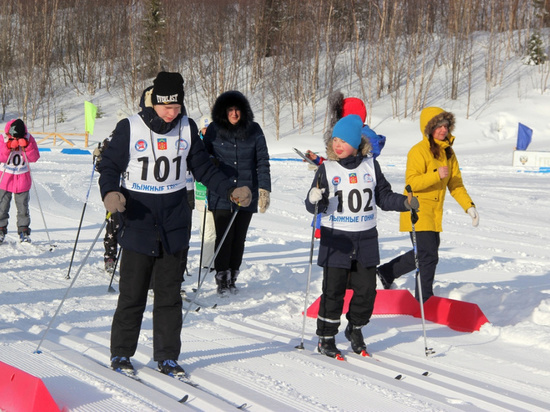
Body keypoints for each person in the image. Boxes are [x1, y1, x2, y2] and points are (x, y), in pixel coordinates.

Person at [97, 71, 252, 377]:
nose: (171, 112)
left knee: (169, 296)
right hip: (139, 217)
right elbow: (109, 166)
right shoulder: (130, 127)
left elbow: (203, 167)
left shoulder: (187, 127)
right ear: (154, 102)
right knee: (133, 294)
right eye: (166, 106)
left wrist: (230, 189)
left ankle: (167, 356)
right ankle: (121, 354)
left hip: (174, 220)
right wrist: (110, 192)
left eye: (176, 106)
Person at [305, 115, 418, 359]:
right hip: (337, 239)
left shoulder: (370, 166)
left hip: (365, 239)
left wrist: (405, 202)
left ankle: (355, 329)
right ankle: (326, 337)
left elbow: (384, 196)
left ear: (356, 143)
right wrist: (315, 199)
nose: (337, 145)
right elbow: (314, 203)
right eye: (334, 139)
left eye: (343, 140)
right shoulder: (326, 168)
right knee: (333, 291)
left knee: (367, 291)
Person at [377, 107, 479, 302]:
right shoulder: (418, 151)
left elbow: (455, 183)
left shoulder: (448, 153)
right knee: (428, 256)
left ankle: (384, 273)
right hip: (417, 210)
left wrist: (469, 206)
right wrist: (435, 175)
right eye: (438, 126)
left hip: (434, 214)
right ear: (428, 128)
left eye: (446, 126)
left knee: (424, 254)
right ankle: (424, 300)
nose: (443, 130)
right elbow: (411, 183)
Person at [203, 91, 271, 297]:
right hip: (222, 192)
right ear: (224, 111)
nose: (234, 114)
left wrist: (264, 189)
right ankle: (221, 277)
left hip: (247, 193)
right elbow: (202, 157)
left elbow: (262, 161)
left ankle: (233, 275)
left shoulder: (254, 130)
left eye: (237, 109)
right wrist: (210, 161)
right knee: (224, 236)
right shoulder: (214, 130)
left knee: (239, 237)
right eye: (230, 110)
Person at [304, 92, 386, 165]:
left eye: (343, 141)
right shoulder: (363, 137)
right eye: (335, 140)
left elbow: (348, 168)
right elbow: (340, 167)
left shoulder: (360, 138)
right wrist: (317, 160)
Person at [0, 119, 40, 243]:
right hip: (5, 178)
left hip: (22, 178)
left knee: (23, 207)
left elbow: (34, 157)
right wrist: (8, 147)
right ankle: (1, 229)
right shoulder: (4, 138)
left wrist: (27, 146)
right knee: (2, 205)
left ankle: (24, 231)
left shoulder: (28, 137)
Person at [93, 138, 120, 273]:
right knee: (112, 227)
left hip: (136, 192)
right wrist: (98, 157)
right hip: (115, 193)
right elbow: (101, 168)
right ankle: (110, 257)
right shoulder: (111, 140)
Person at [194, 115, 216, 269]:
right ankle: (207, 263)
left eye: (209, 128)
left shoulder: (217, 143)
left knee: (213, 229)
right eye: (204, 128)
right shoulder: (197, 144)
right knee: (207, 230)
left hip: (216, 192)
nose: (207, 131)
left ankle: (212, 260)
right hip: (202, 193)